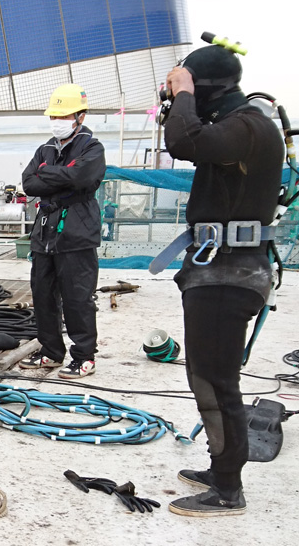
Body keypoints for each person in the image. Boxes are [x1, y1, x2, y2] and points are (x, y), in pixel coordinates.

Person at [160, 43, 284, 516]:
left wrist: (184, 93)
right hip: (221, 267)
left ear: (205, 86)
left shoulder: (249, 127)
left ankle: (228, 490)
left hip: (229, 272)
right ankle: (221, 468)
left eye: (187, 85)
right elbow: (191, 139)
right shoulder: (241, 125)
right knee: (209, 377)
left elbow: (183, 142)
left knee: (214, 381)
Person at [19, 84, 106, 379]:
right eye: (53, 116)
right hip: (45, 231)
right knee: (43, 294)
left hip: (77, 230)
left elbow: (82, 177)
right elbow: (29, 183)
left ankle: (84, 356)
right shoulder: (45, 148)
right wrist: (63, 175)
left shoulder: (92, 148)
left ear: (80, 116)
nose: (57, 121)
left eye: (63, 115)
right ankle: (51, 351)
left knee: (77, 297)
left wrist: (49, 174)